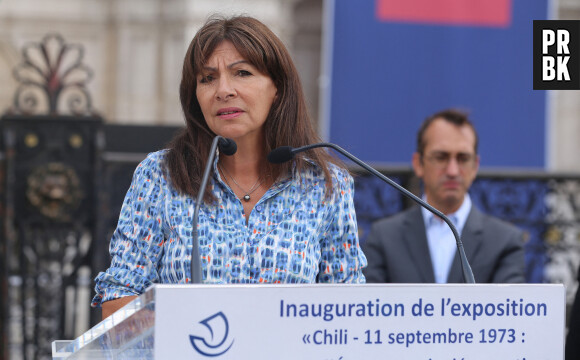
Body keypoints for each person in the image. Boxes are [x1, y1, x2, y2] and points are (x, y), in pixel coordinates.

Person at [92, 15, 367, 319]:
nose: (223, 90)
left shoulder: (326, 185)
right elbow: (118, 299)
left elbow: (348, 310)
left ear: (277, 88)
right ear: (195, 96)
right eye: (207, 78)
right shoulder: (161, 175)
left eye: (242, 73)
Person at [362, 109, 525, 283]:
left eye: (463, 158)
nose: (452, 171)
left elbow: (509, 307)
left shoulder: (504, 241)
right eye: (441, 157)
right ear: (418, 163)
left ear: (475, 166)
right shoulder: (384, 237)